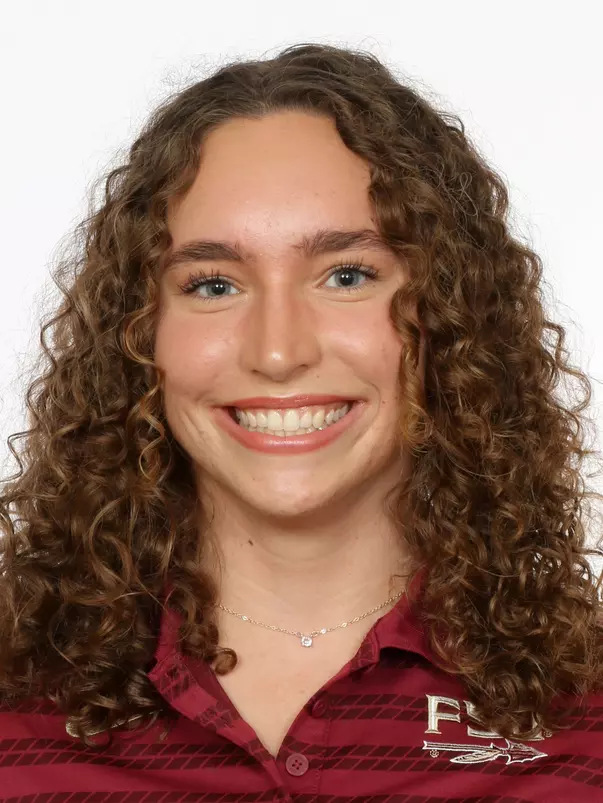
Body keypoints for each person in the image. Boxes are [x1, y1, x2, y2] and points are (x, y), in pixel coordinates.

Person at [0, 42, 602, 801]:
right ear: (137, 330)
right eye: (213, 283)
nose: (278, 351)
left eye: (346, 275)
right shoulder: (15, 720)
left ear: (449, 316)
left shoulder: (585, 727)